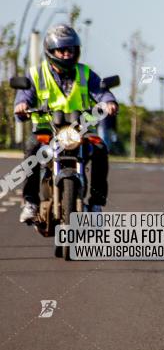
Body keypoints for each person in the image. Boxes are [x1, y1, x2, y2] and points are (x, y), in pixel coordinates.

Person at [13, 25, 118, 223]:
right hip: (47, 130)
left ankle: (96, 204)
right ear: (50, 52)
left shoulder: (86, 73)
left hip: (80, 131)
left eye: (70, 49)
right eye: (61, 50)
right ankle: (30, 202)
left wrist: (109, 102)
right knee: (31, 147)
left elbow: (100, 91)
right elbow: (24, 95)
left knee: (100, 148)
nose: (66, 54)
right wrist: (22, 105)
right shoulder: (36, 74)